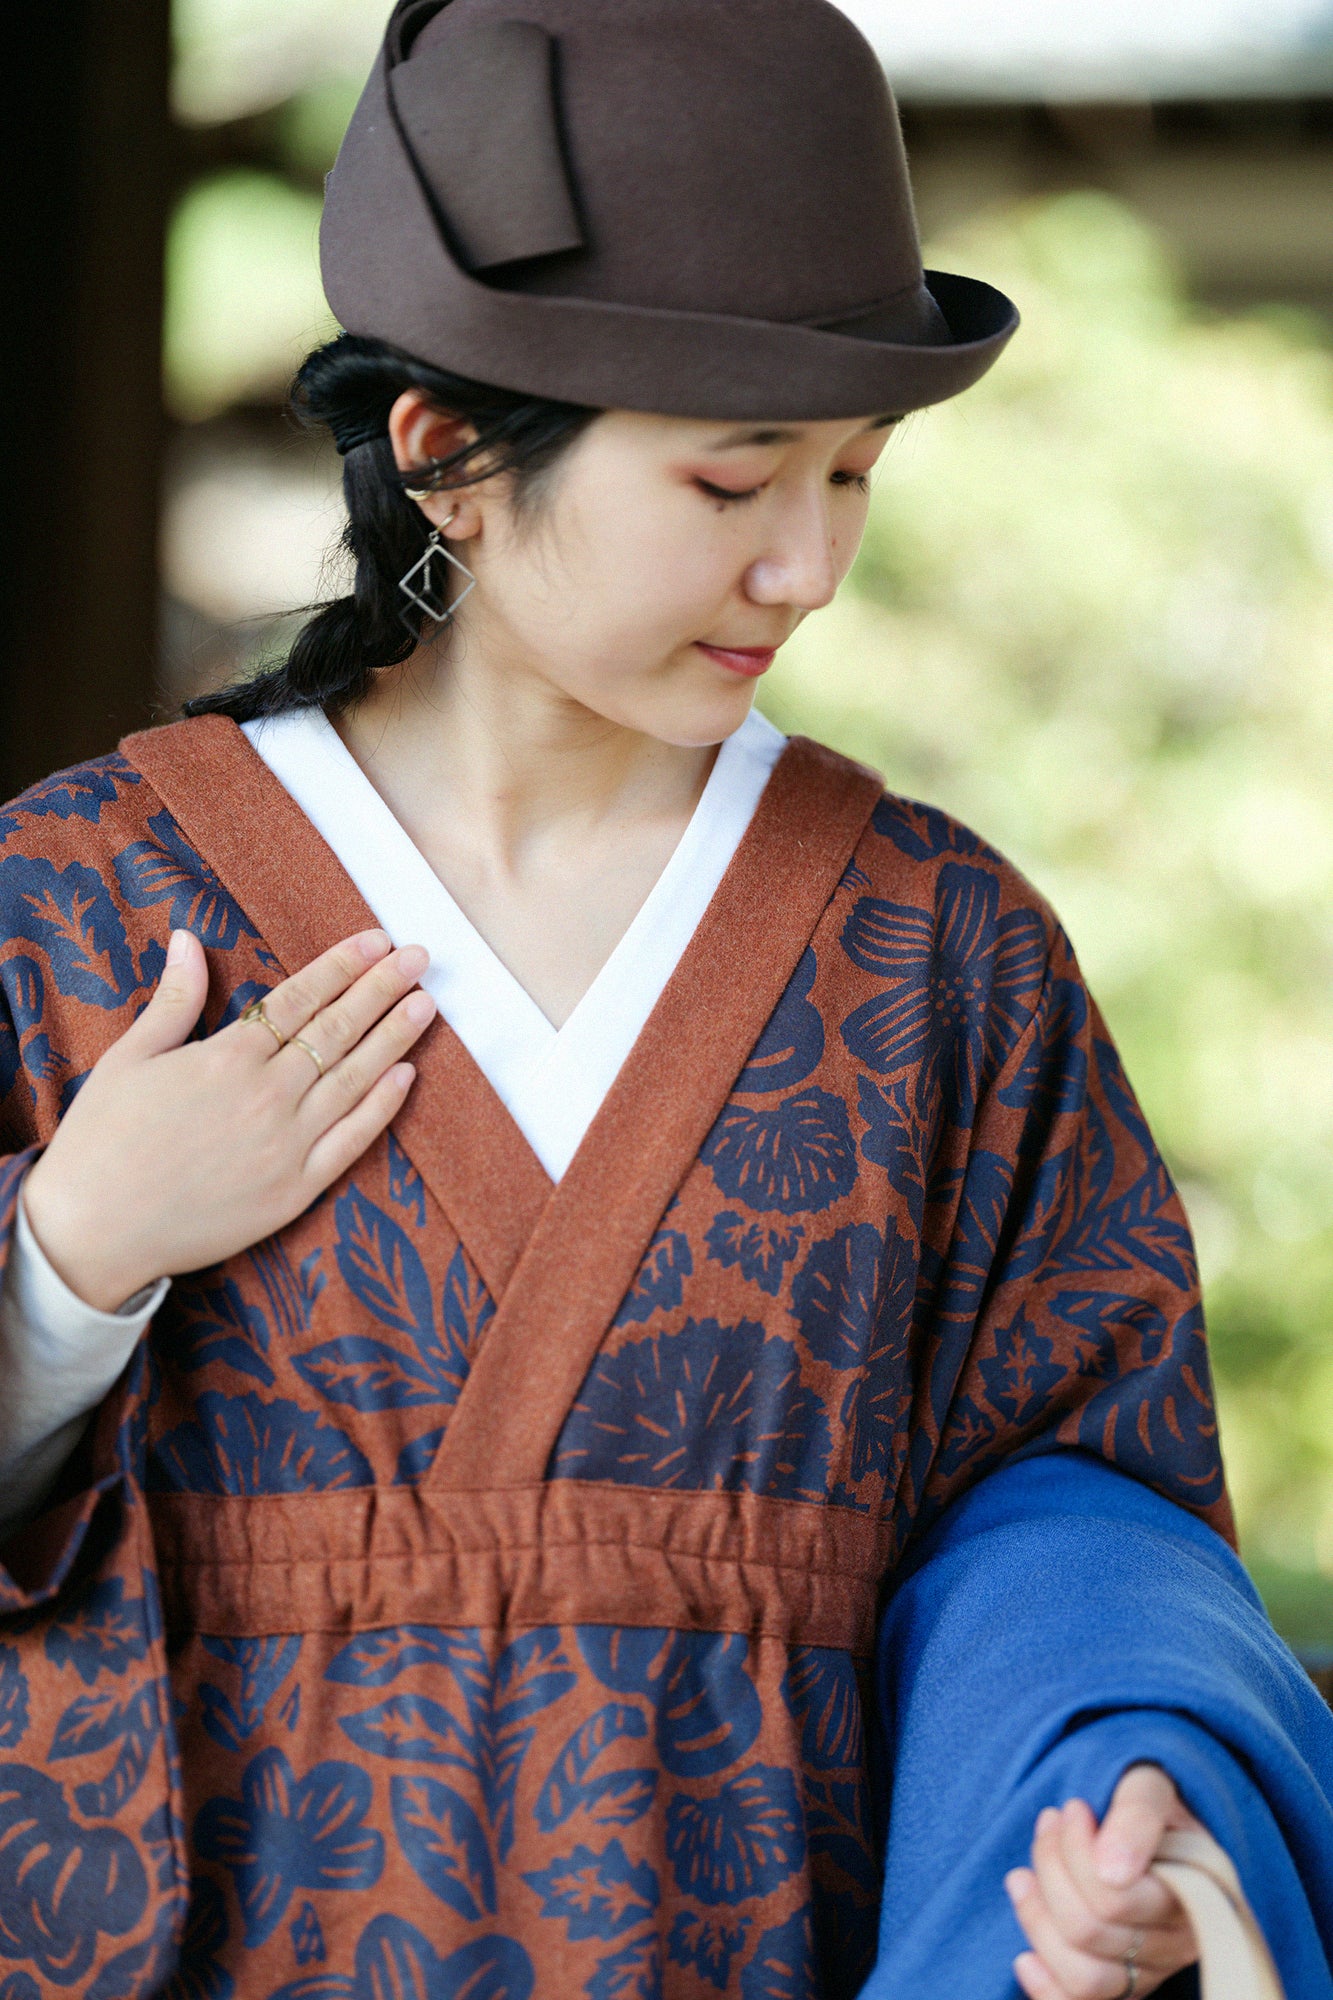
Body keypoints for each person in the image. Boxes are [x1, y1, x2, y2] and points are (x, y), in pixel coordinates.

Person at [0, 3, 1328, 1997]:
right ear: (445, 457)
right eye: (730, 484)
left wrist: (1116, 1793)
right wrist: (67, 1267)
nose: (806, 567)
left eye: (853, 476)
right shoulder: (77, 904)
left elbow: (1077, 1513)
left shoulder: (941, 954)